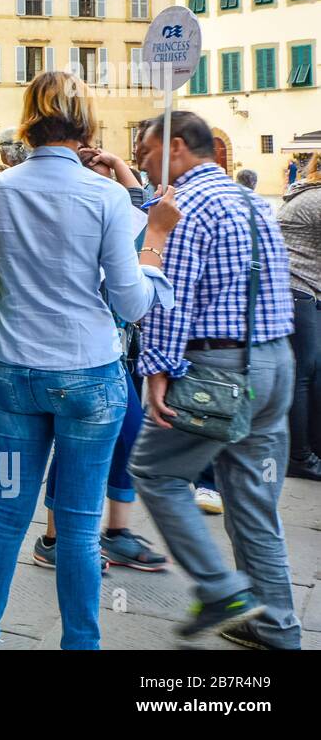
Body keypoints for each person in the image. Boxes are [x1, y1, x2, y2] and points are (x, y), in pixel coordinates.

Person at [0, 71, 179, 651]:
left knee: (5, 516)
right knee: (81, 527)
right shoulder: (106, 195)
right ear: (85, 125)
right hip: (89, 372)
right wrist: (154, 236)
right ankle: (80, 646)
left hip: (15, 371)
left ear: (29, 120)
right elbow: (131, 303)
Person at [130, 111, 300, 649]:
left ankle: (221, 589)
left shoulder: (184, 206)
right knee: (253, 504)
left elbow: (168, 296)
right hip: (275, 363)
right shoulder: (253, 201)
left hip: (217, 371)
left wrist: (156, 368)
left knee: (154, 471)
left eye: (147, 155)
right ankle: (277, 627)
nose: (146, 166)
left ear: (176, 146)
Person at [33, 145, 168, 573]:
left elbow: (140, 214)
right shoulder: (79, 214)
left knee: (126, 437)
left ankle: (116, 531)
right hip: (84, 348)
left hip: (114, 343)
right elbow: (144, 240)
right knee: (87, 439)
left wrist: (121, 169)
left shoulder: (111, 207)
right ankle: (55, 539)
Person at [280, 153, 321, 479]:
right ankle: (298, 456)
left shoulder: (307, 193)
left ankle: (311, 450)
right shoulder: (316, 199)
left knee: (310, 375)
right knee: (303, 376)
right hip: (299, 292)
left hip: (302, 293)